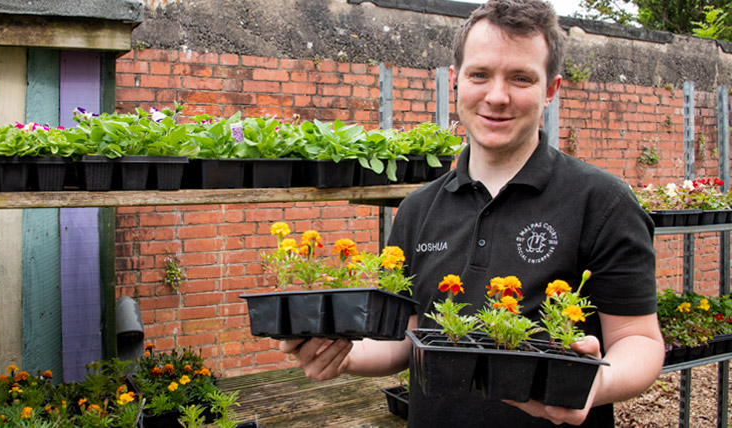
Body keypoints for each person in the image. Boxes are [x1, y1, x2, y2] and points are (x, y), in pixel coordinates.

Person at [280, 0, 665, 426]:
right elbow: (406, 341)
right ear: (455, 81)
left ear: (551, 90)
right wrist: (344, 353)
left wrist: (596, 383)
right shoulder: (417, 209)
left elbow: (639, 340)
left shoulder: (602, 202)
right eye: (480, 75)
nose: (497, 97)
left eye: (521, 78)